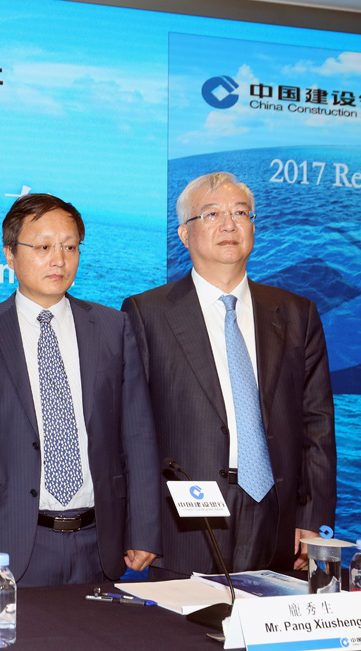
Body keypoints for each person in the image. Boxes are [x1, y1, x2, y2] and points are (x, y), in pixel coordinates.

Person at [122, 172, 336, 579]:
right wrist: (139, 524)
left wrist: (314, 517)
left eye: (240, 213)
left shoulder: (297, 313)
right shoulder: (146, 313)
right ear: (184, 234)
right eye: (212, 214)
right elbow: (131, 429)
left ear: (253, 227)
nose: (228, 224)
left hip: (276, 514)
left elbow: (317, 423)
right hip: (183, 519)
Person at [0, 193, 160, 586]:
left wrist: (144, 528)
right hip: (9, 539)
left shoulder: (112, 327)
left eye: (70, 247)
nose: (59, 259)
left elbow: (138, 434)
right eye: (43, 247)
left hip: (99, 541)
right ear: (9, 254)